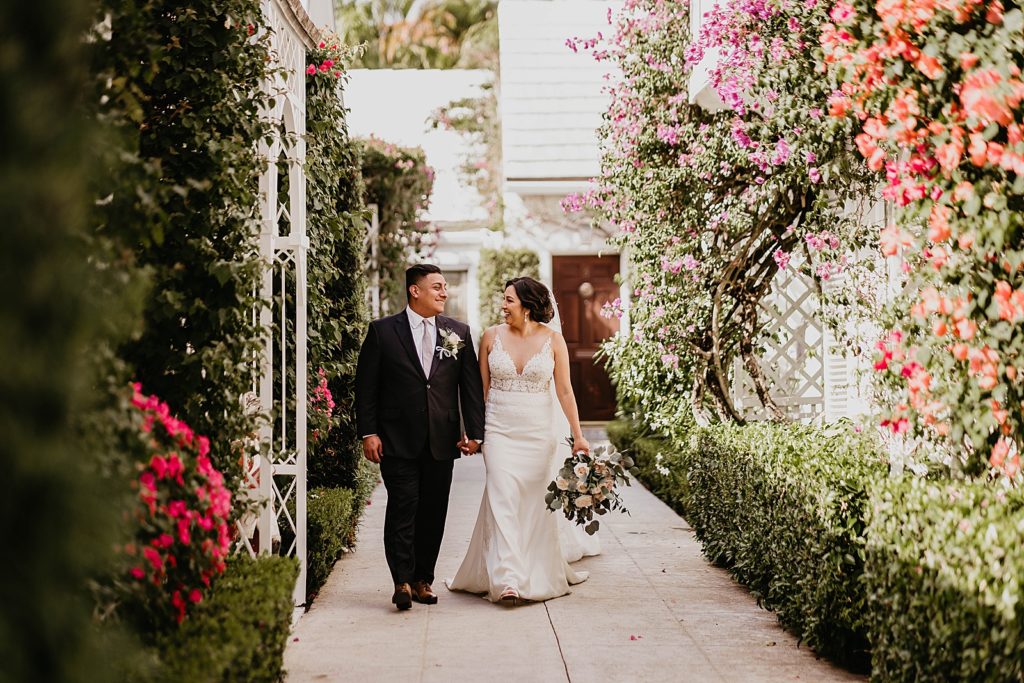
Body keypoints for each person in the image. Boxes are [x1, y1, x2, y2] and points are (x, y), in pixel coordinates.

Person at [447, 276, 599, 606]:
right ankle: (508, 579)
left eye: (509, 300)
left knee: (533, 504)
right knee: (502, 496)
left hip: (538, 434)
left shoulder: (553, 340)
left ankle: (534, 568)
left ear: (528, 306)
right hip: (498, 431)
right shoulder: (489, 337)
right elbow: (479, 393)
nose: (503, 306)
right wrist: (474, 434)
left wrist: (579, 436)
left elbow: (564, 391)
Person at [355, 264, 485, 610]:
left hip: (442, 440)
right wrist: (368, 432)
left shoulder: (458, 332)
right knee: (403, 507)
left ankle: (422, 579)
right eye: (437, 287)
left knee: (433, 511)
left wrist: (475, 433)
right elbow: (366, 388)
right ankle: (401, 581)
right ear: (415, 290)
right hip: (396, 439)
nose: (444, 292)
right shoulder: (383, 332)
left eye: (445, 287)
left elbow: (470, 388)